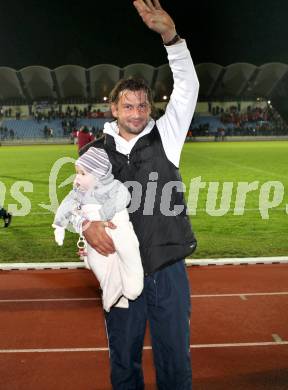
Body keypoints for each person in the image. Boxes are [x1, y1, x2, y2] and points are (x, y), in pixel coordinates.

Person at [80, 0, 199, 388]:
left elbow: (188, 88)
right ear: (114, 108)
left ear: (150, 107)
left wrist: (171, 37)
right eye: (128, 105)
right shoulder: (95, 152)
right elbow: (80, 202)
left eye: (142, 105)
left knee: (175, 362)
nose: (136, 112)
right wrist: (86, 226)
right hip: (119, 268)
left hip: (167, 268)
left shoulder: (167, 136)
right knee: (124, 362)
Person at [52, 147, 144, 312]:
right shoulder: (79, 192)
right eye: (78, 173)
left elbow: (123, 197)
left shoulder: (114, 186)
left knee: (128, 251)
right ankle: (114, 292)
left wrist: (102, 215)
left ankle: (133, 286)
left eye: (83, 173)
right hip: (94, 234)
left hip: (118, 227)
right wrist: (59, 225)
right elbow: (67, 205)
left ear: (99, 174)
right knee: (96, 262)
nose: (78, 177)